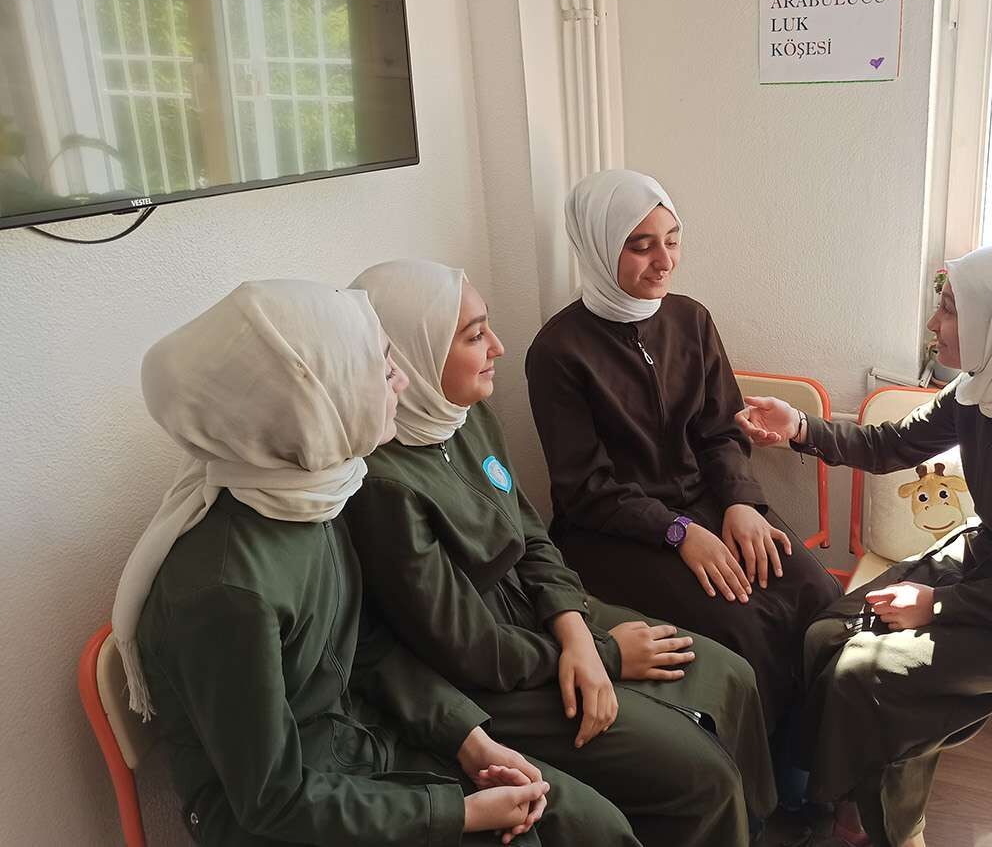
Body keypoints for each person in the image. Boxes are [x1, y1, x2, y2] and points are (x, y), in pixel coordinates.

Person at [114, 279, 638, 846]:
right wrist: (458, 813)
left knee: (592, 826)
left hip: (359, 743)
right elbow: (273, 799)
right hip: (289, 815)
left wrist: (468, 740)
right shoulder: (225, 591)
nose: (403, 382)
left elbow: (365, 646)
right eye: (384, 368)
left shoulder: (314, 496)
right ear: (313, 400)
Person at [343, 259, 774, 847]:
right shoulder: (384, 486)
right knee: (704, 777)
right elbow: (464, 646)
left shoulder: (465, 418)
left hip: (540, 618)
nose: (497, 346)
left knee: (733, 675)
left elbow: (530, 535)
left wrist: (576, 631)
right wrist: (605, 655)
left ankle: (760, 829)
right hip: (493, 675)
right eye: (473, 336)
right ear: (411, 355)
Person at [736, 242, 992, 847]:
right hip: (985, 559)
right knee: (825, 633)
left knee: (870, 677)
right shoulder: (984, 391)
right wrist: (798, 427)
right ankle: (821, 793)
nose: (932, 323)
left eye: (948, 309)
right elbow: (890, 445)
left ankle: (876, 824)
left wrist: (936, 606)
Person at [524, 172, 841, 798]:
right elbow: (586, 488)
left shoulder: (691, 320)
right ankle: (765, 791)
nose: (664, 261)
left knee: (816, 593)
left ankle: (821, 763)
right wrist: (678, 532)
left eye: (672, 239)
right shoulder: (558, 351)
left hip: (709, 505)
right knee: (744, 629)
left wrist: (742, 504)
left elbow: (720, 431)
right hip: (614, 535)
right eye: (640, 245)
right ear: (597, 247)